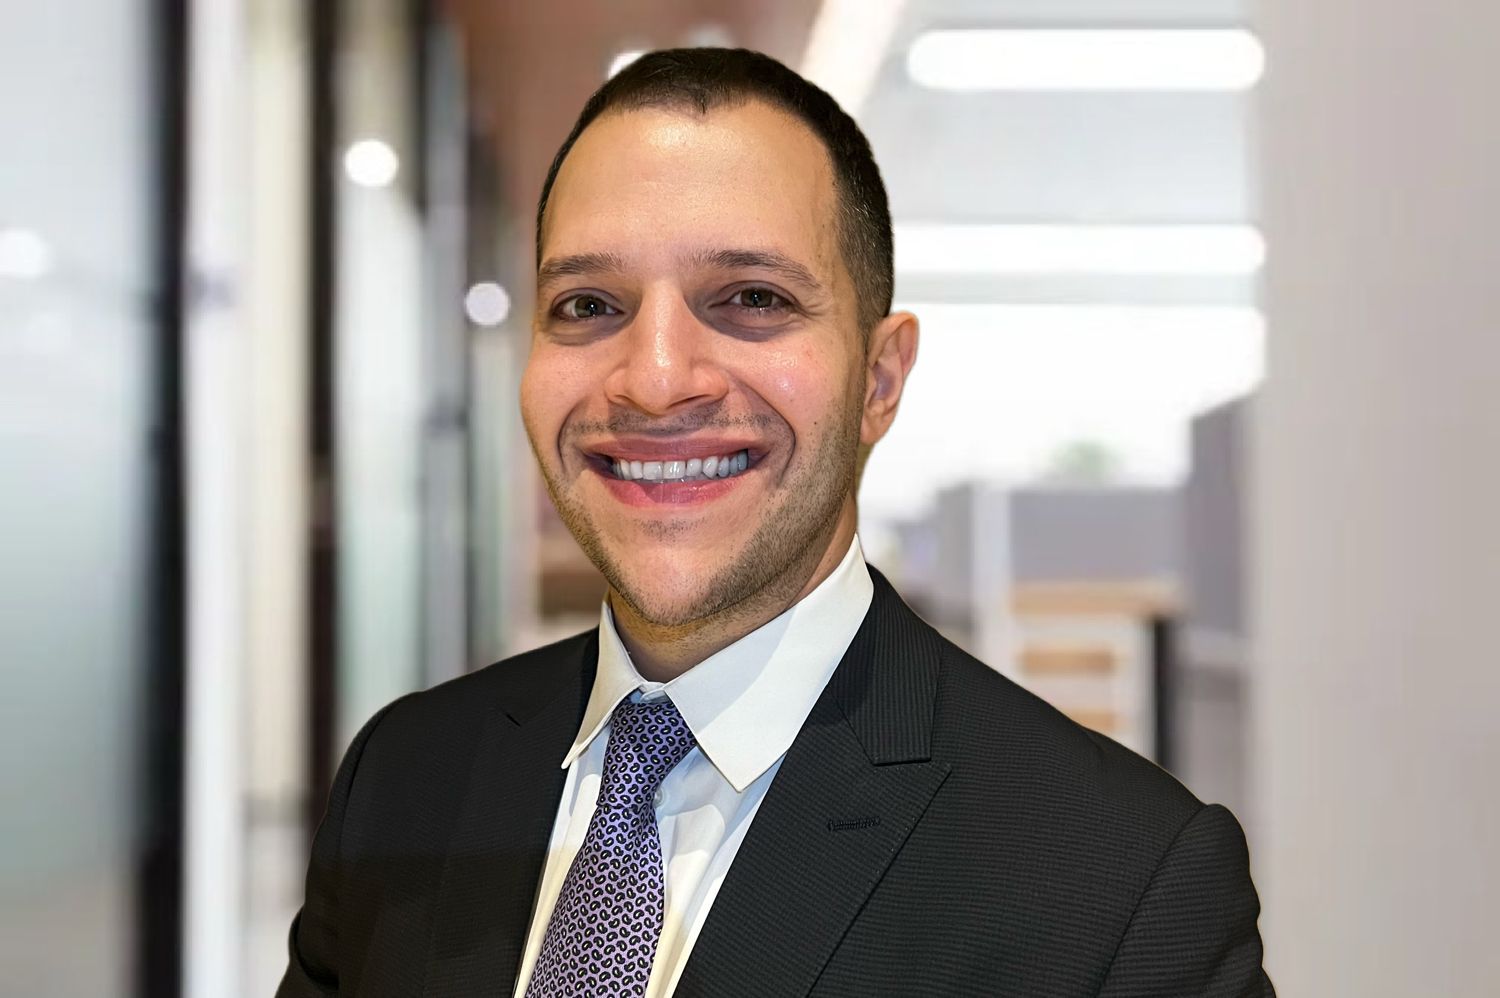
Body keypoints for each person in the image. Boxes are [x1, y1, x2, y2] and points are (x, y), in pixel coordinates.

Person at [277, 47, 1272, 997]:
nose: (657, 378)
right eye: (587, 303)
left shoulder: (1114, 885)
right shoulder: (406, 774)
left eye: (751, 297)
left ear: (880, 379)